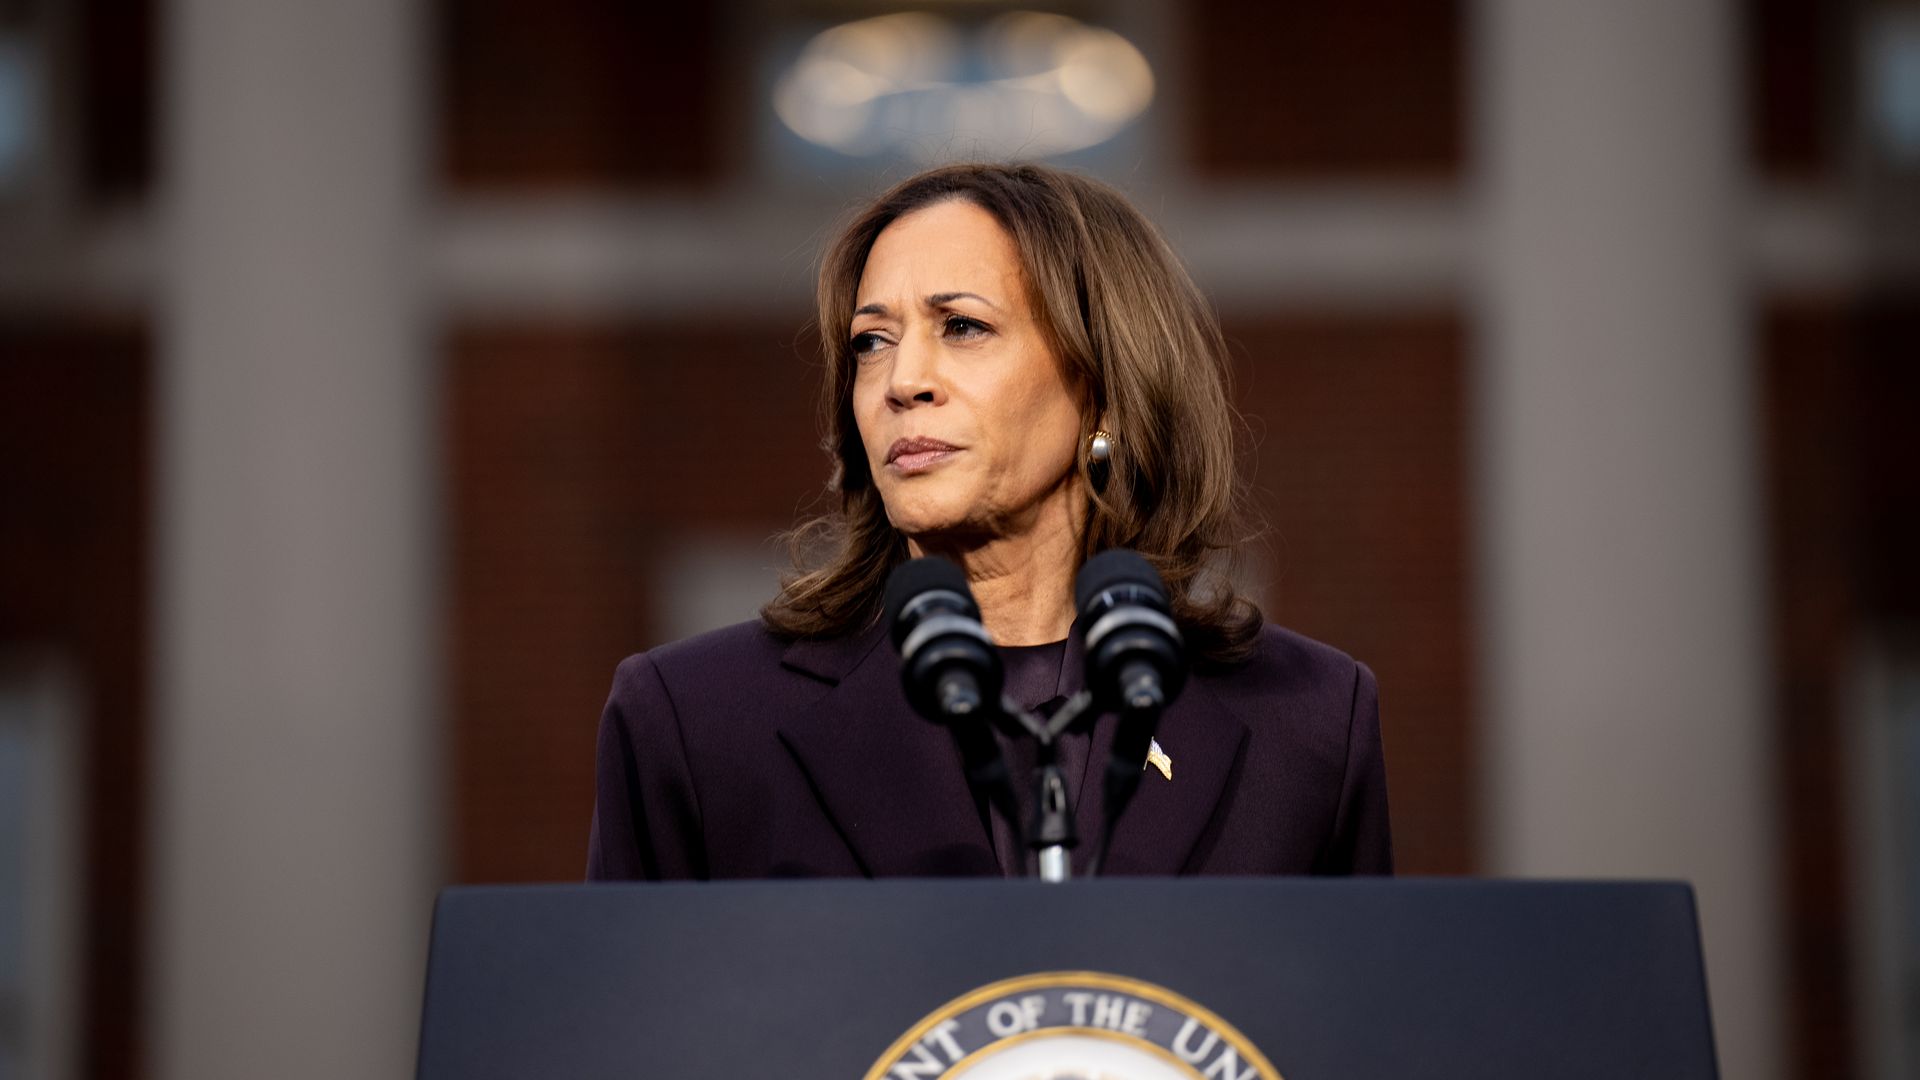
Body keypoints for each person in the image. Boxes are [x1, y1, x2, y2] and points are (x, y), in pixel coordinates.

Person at [587, 163, 1390, 880]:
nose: (903, 381)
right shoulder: (694, 721)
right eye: (871, 342)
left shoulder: (1310, 722)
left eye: (962, 327)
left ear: (1103, 380)